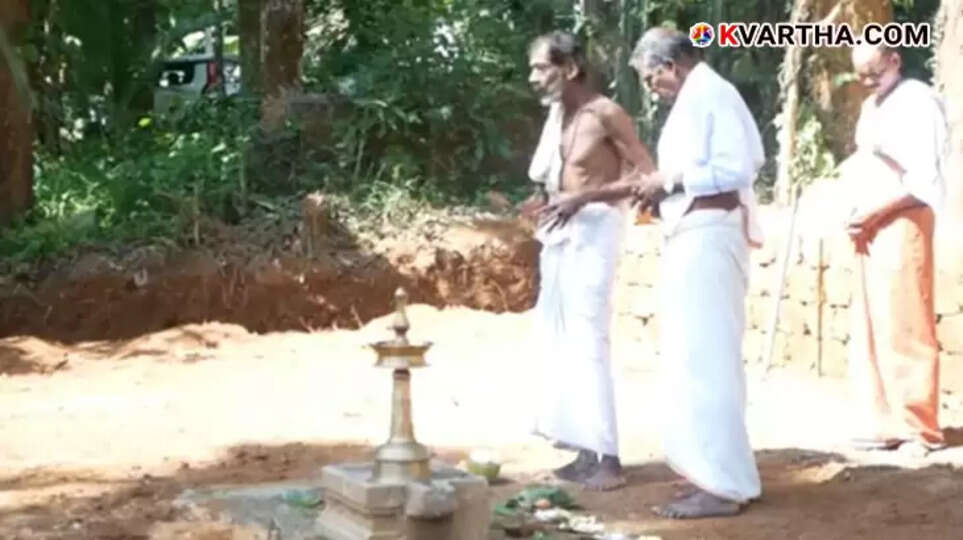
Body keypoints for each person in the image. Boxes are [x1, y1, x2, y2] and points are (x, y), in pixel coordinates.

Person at [544, 26, 765, 518]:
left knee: (709, 362)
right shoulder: (696, 97)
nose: (650, 88)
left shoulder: (714, 95)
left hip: (711, 232)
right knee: (691, 360)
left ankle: (725, 484)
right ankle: (709, 474)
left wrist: (670, 179)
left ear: (672, 66)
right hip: (692, 232)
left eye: (650, 78)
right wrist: (661, 187)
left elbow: (740, 168)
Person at [522, 30, 655, 491]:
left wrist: (585, 198)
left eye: (542, 67)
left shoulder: (606, 114)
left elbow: (647, 174)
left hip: (595, 234)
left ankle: (609, 460)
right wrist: (547, 201)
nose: (533, 78)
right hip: (560, 235)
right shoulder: (561, 116)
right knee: (559, 340)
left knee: (588, 341)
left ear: (571, 68)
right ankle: (583, 448)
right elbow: (562, 181)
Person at [844, 43, 948, 455]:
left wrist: (874, 213)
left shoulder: (918, 101)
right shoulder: (873, 106)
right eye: (860, 75)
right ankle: (884, 421)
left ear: (894, 61)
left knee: (905, 321)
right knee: (873, 324)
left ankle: (920, 428)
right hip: (868, 224)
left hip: (901, 218)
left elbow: (922, 178)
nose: (867, 81)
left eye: (873, 71)